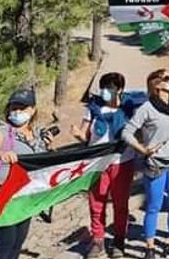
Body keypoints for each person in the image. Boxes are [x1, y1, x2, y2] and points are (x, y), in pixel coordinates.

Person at [122, 70, 169, 259]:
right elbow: (127, 132)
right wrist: (142, 149)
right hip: (156, 165)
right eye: (168, 78)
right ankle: (150, 246)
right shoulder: (146, 108)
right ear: (156, 85)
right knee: (154, 206)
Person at [71, 73, 138, 258]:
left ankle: (118, 240)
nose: (106, 91)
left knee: (120, 204)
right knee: (96, 202)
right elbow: (85, 136)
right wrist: (78, 135)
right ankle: (98, 239)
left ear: (120, 89)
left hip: (121, 162)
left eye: (111, 87)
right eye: (104, 87)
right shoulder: (93, 108)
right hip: (97, 163)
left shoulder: (129, 109)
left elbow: (138, 133)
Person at [0, 89, 53, 259]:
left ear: (33, 110)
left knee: (18, 242)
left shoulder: (36, 134)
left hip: (28, 194)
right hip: (7, 194)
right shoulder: (3, 130)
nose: (17, 112)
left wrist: (49, 147)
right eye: (14, 108)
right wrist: (1, 154)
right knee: (6, 242)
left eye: (22, 108)